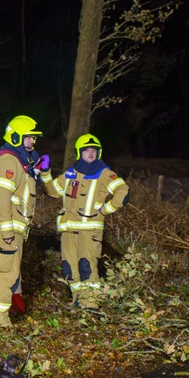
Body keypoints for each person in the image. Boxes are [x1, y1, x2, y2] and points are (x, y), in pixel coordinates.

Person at [0, 115, 58, 327]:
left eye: (34, 138)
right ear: (15, 137)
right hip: (3, 231)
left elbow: (38, 190)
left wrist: (41, 171)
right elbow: (1, 197)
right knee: (6, 277)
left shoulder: (21, 161)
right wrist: (8, 231)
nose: (32, 141)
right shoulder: (10, 161)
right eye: (28, 137)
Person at [52, 133, 129, 310]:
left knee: (86, 266)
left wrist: (105, 209)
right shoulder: (70, 173)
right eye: (86, 150)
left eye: (94, 150)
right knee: (69, 269)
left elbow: (123, 191)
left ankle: (91, 305)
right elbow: (52, 190)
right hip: (68, 230)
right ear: (79, 152)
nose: (91, 153)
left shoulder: (105, 173)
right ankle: (78, 302)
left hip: (90, 230)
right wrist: (44, 173)